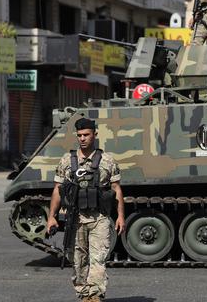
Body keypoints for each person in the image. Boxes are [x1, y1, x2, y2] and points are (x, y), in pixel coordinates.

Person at [46, 117, 126, 302]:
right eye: (79, 135)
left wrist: (121, 216)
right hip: (75, 219)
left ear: (95, 135)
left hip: (99, 218)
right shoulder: (67, 160)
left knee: (98, 259)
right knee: (78, 260)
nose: (82, 138)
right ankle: (84, 294)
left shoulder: (107, 160)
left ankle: (95, 295)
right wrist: (52, 216)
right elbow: (57, 190)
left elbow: (117, 189)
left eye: (86, 135)